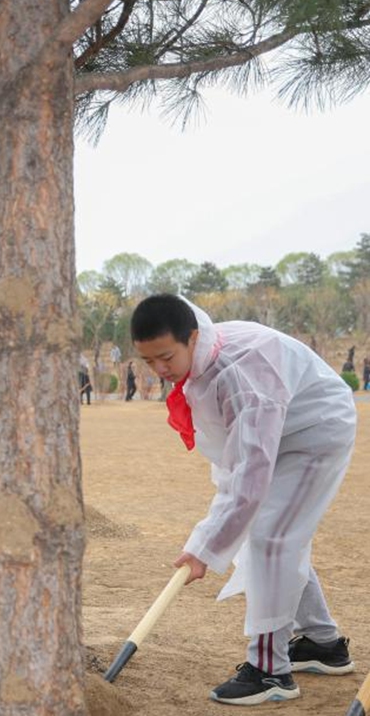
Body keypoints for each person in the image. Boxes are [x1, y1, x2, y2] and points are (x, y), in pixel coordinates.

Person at [132, 294, 356, 706]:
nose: (160, 371)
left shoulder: (242, 374)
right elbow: (233, 464)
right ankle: (324, 643)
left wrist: (206, 548)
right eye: (148, 362)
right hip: (282, 428)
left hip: (316, 430)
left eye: (165, 357)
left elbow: (249, 477)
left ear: (192, 337)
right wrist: (211, 536)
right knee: (276, 533)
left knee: (272, 537)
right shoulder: (203, 363)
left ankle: (271, 672)